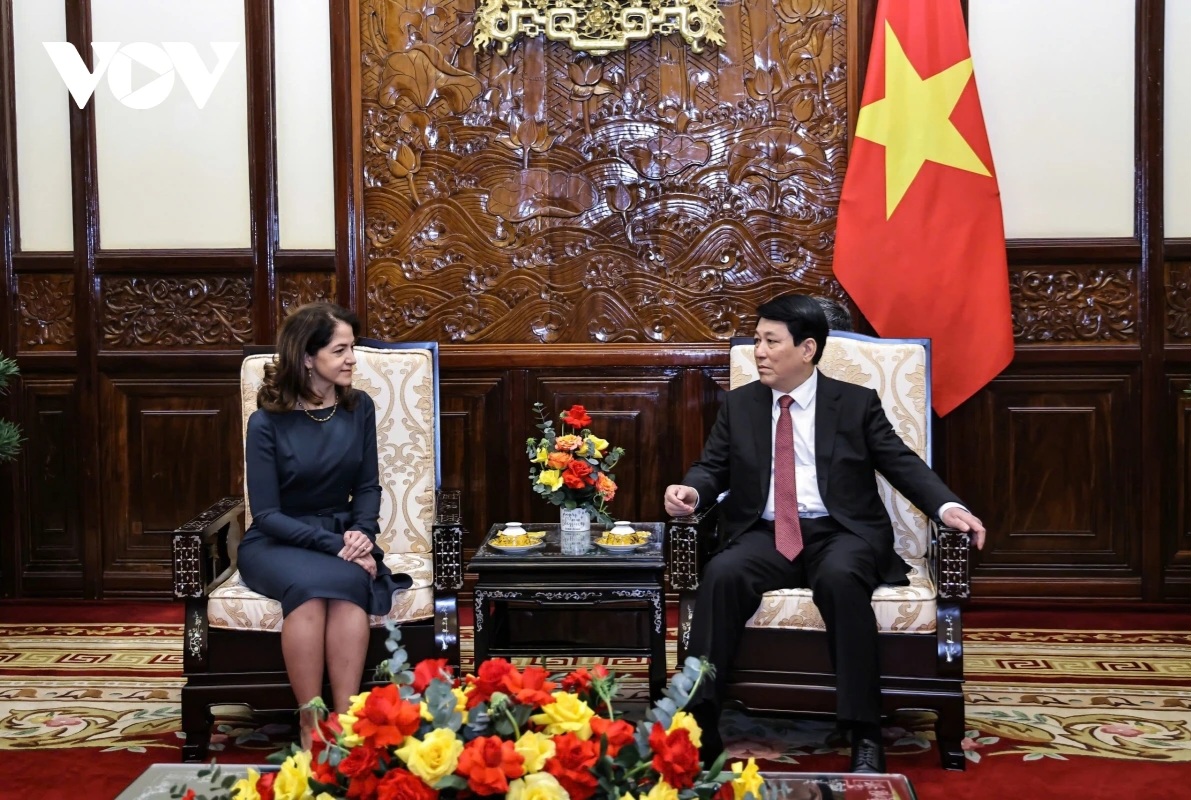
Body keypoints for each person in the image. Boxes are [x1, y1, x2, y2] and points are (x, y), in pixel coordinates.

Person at [663, 292, 985, 773]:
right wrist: (690, 491)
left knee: (839, 578)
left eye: (771, 341)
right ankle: (701, 723)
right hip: (766, 532)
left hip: (840, 532)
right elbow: (712, 467)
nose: (759, 352)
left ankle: (863, 730)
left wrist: (948, 506)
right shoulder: (741, 404)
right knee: (723, 574)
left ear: (807, 348)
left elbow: (900, 462)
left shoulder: (854, 403)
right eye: (757, 340)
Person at [236, 302, 412, 749]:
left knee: (349, 585)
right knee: (311, 593)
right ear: (307, 357)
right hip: (277, 541)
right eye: (340, 350)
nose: (353, 359)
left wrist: (362, 534)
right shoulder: (265, 423)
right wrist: (336, 545)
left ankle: (346, 722)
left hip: (340, 534)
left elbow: (368, 486)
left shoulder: (359, 408)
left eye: (352, 348)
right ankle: (310, 724)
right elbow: (267, 515)